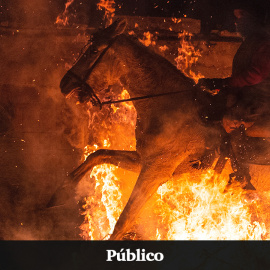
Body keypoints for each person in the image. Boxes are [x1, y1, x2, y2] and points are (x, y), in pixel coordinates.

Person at [196, 2, 270, 189]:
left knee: (232, 121)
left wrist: (223, 83)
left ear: (254, 18)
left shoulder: (265, 43)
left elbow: (255, 75)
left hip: (261, 99)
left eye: (242, 16)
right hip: (248, 95)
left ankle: (242, 177)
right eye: (236, 17)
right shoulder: (252, 41)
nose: (238, 22)